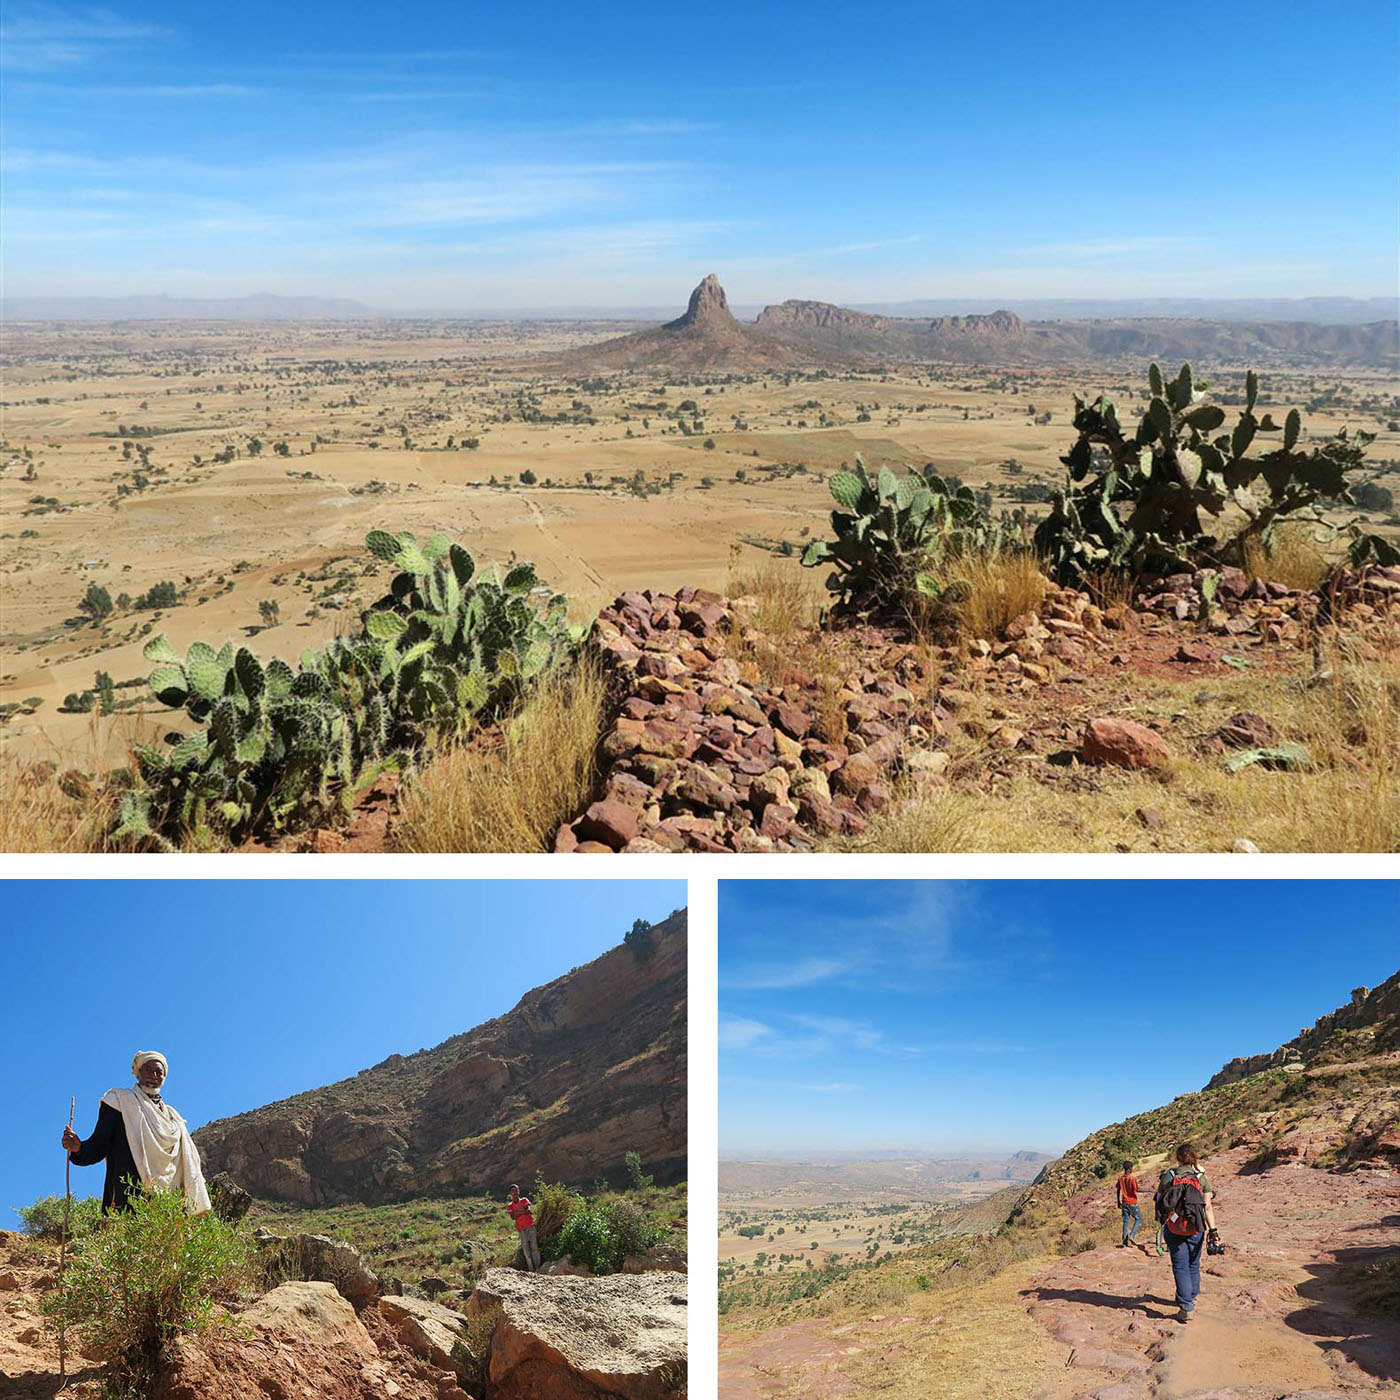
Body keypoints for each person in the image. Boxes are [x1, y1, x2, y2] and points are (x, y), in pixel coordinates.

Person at [61, 1051, 211, 1215]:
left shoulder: (173, 1119)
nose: (153, 1075)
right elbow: (101, 1143)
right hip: (126, 1196)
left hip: (169, 1201)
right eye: (147, 1070)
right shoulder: (119, 1101)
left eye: (159, 1072)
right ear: (138, 1073)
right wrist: (80, 1148)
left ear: (164, 1077)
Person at [1155, 1143, 1218, 1322]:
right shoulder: (1201, 1178)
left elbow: (1160, 1198)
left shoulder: (1170, 1176)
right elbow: (1208, 1208)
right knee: (1193, 1264)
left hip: (1174, 1227)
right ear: (1194, 1157)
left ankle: (1186, 1306)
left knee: (1180, 1266)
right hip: (1196, 1227)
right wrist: (1213, 1230)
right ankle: (1191, 1295)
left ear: (1178, 1158)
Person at [506, 1183, 540, 1271]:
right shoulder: (510, 1205)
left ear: (519, 1191)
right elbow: (513, 1217)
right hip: (521, 1229)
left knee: (534, 1248)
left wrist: (517, 1212)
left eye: (516, 1190)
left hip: (530, 1226)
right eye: (513, 1191)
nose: (515, 1192)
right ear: (510, 1193)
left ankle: (538, 1268)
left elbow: (528, 1210)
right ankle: (531, 1270)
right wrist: (523, 1211)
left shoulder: (524, 1200)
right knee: (526, 1251)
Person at [1115, 1160, 1141, 1247]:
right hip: (1132, 1202)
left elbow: (1118, 1190)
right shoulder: (1132, 1178)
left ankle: (1124, 1241)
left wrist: (1118, 1201)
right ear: (1130, 1168)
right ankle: (1132, 1235)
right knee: (1138, 1218)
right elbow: (1137, 1189)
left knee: (1126, 1221)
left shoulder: (1120, 1178)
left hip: (1124, 1203)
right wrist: (1150, 1190)